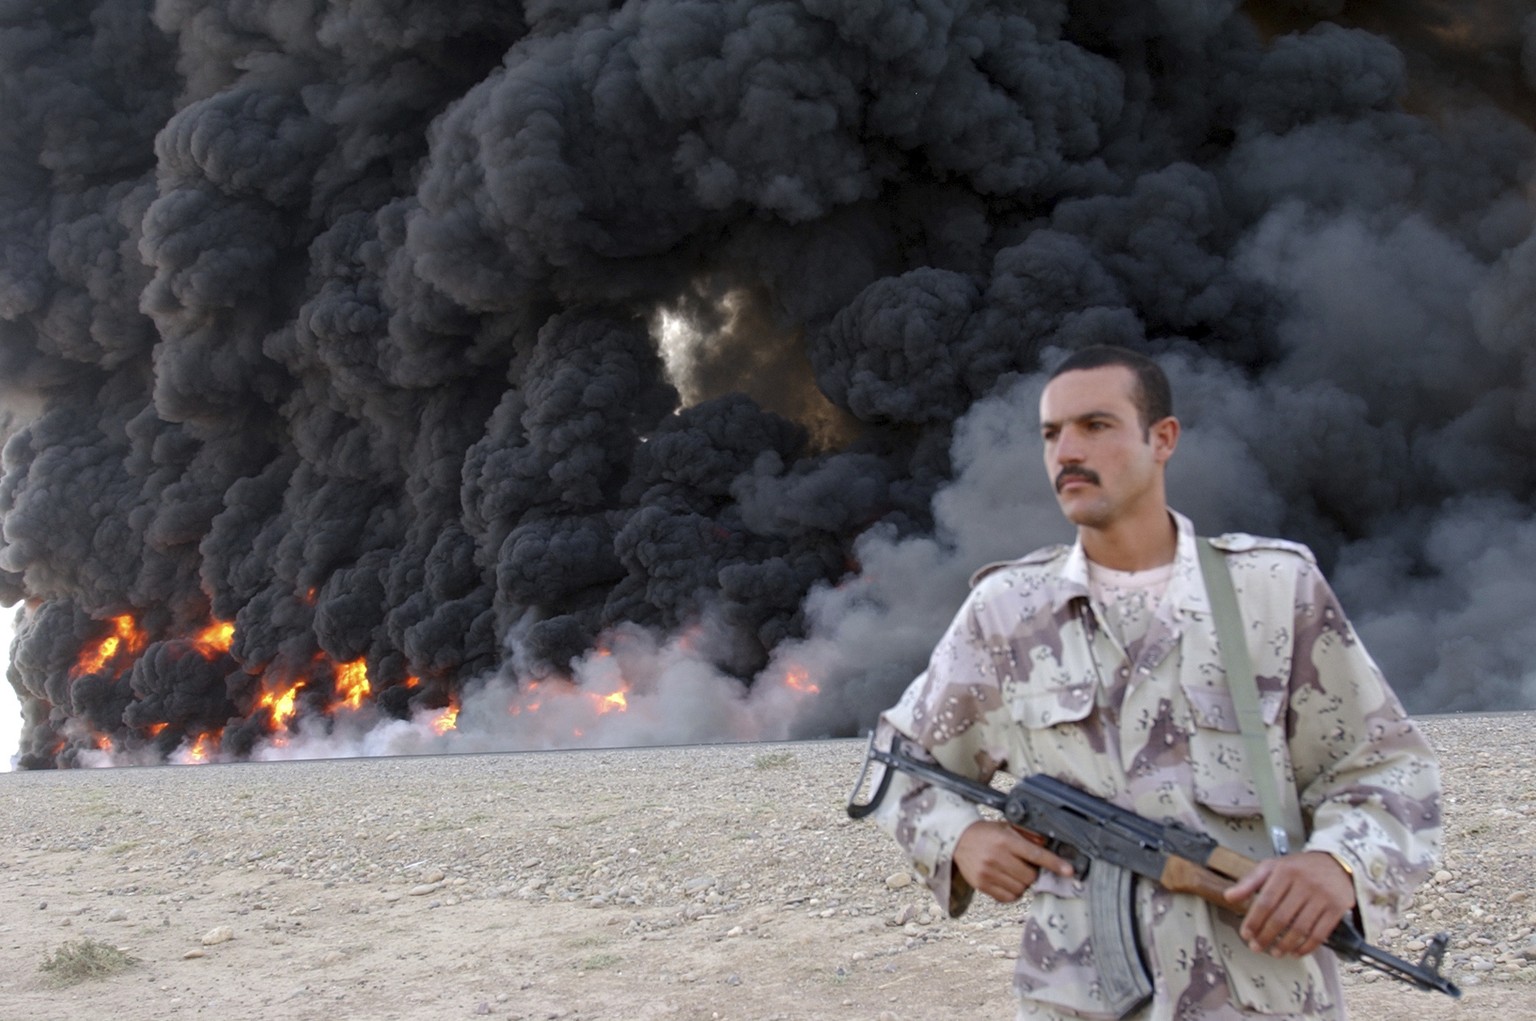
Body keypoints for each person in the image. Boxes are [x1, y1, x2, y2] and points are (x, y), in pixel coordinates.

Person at [869, 345, 1443, 1020]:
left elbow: (1387, 767)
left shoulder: (1272, 590)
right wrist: (960, 838)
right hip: (1079, 1001)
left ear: (1162, 438)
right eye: (1052, 434)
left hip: (1262, 998)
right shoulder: (1007, 613)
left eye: (1096, 425)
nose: (1067, 451)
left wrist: (1338, 865)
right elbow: (898, 763)